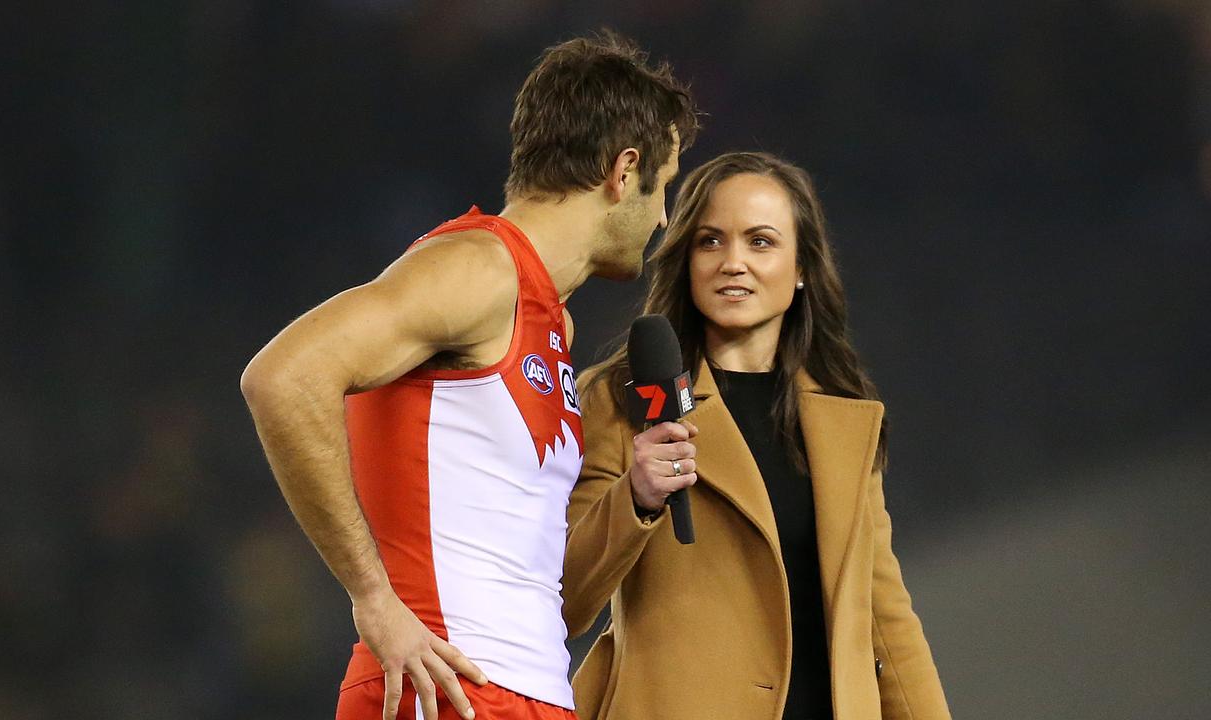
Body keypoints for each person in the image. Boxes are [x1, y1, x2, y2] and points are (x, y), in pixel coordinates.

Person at [240, 32, 697, 720]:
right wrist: (373, 597)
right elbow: (283, 377)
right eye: (664, 188)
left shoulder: (550, 323)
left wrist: (634, 495)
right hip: (444, 688)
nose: (664, 216)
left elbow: (537, 584)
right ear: (624, 171)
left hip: (528, 692)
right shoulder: (478, 270)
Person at [562, 152, 950, 720]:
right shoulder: (622, 400)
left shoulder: (843, 418)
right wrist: (636, 498)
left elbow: (885, 619)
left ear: (801, 269)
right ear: (686, 260)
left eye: (761, 241)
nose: (733, 262)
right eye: (711, 241)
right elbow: (561, 599)